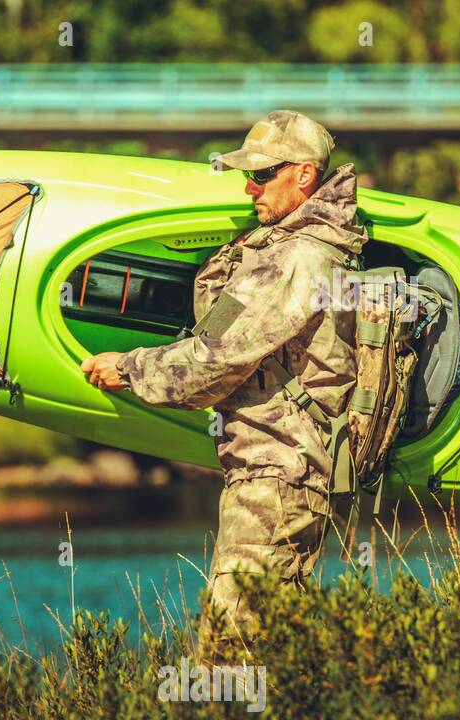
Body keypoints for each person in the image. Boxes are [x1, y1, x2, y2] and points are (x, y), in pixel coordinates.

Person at [80, 110, 368, 660]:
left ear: (304, 176)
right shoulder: (291, 249)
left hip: (278, 477)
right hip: (283, 476)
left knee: (228, 651)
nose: (249, 186)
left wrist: (130, 368)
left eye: (262, 174)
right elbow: (225, 334)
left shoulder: (296, 259)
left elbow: (212, 360)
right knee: (265, 649)